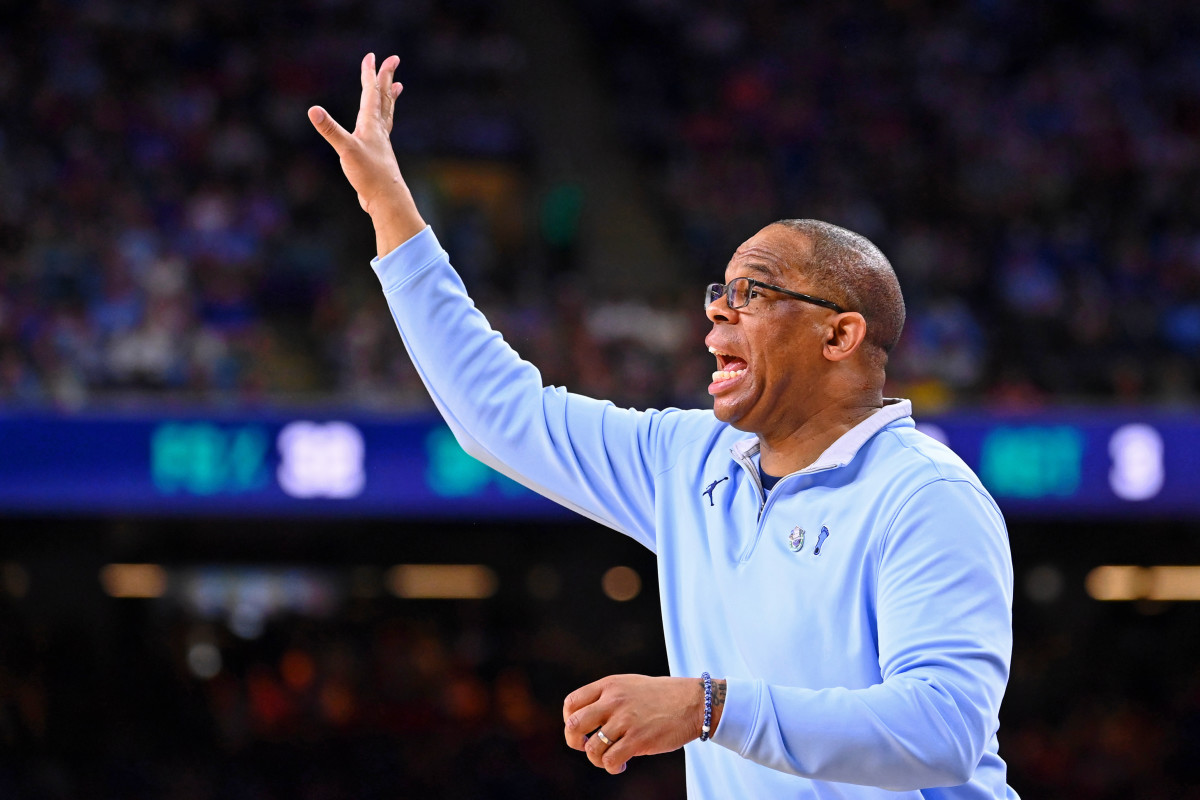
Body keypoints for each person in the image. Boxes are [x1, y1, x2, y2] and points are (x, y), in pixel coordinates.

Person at [308, 53, 1020, 799]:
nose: (717, 310)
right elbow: (498, 414)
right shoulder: (690, 459)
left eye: (753, 291)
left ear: (839, 337)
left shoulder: (925, 496)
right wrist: (390, 208)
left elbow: (941, 733)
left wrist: (707, 706)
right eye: (719, 292)